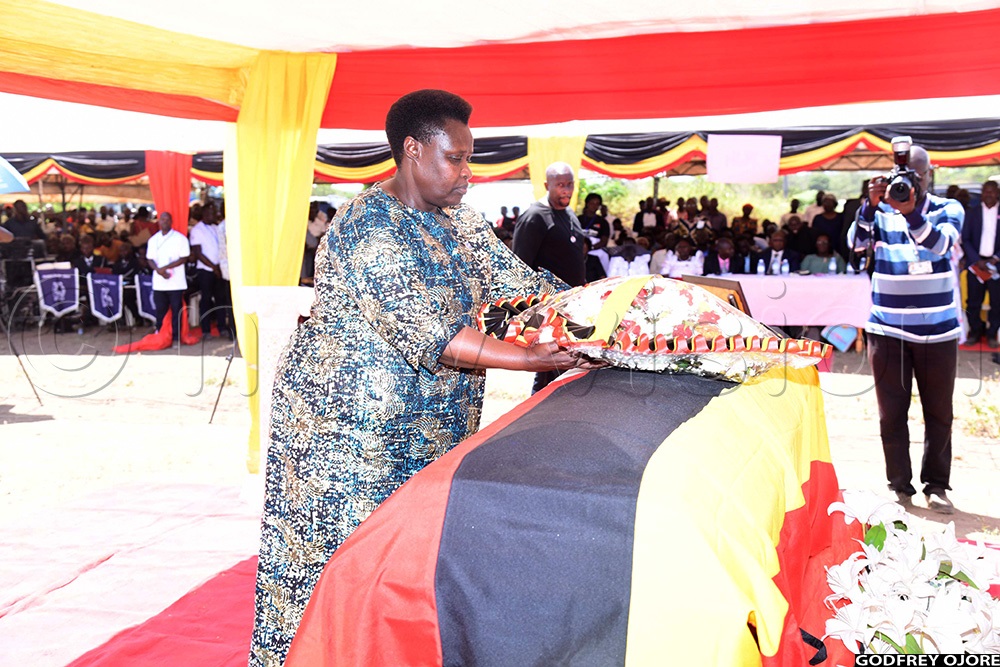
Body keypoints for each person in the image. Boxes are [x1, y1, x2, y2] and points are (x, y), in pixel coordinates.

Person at [249, 89, 600, 667]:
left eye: (470, 159)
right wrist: (541, 360)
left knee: (403, 572)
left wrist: (609, 307)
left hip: (430, 430)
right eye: (455, 158)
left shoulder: (458, 221)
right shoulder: (367, 224)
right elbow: (442, 338)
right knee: (339, 570)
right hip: (349, 440)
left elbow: (521, 285)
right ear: (412, 150)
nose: (468, 173)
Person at [847, 143, 964, 514]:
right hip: (886, 328)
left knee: (938, 412)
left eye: (919, 174)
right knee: (891, 413)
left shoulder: (949, 208)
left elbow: (941, 244)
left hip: (938, 330)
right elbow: (855, 246)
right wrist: (868, 206)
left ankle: (936, 485)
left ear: (929, 174)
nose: (911, 182)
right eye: (906, 175)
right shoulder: (880, 211)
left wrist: (911, 212)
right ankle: (900, 486)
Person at [512, 160, 588, 393]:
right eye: (560, 185)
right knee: (553, 366)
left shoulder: (569, 214)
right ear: (547, 185)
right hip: (549, 309)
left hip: (573, 305)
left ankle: (545, 413)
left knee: (555, 369)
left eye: (570, 184)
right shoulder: (535, 217)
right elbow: (519, 265)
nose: (566, 190)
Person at [961, 179, 1000, 347]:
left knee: (997, 302)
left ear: (998, 193)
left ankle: (991, 334)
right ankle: (975, 332)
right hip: (976, 264)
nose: (988, 195)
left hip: (996, 264)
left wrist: (996, 258)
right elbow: (966, 238)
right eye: (985, 191)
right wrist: (976, 260)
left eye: (992, 191)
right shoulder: (972, 213)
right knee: (973, 301)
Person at [145, 211, 190, 345]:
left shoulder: (180, 239)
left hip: (176, 282)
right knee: (160, 310)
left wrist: (166, 267)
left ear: (171, 222)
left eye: (167, 220)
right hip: (159, 282)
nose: (164, 222)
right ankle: (161, 336)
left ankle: (176, 338)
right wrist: (159, 270)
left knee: (176, 311)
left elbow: (184, 258)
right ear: (158, 221)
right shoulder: (153, 240)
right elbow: (149, 259)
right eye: (162, 219)